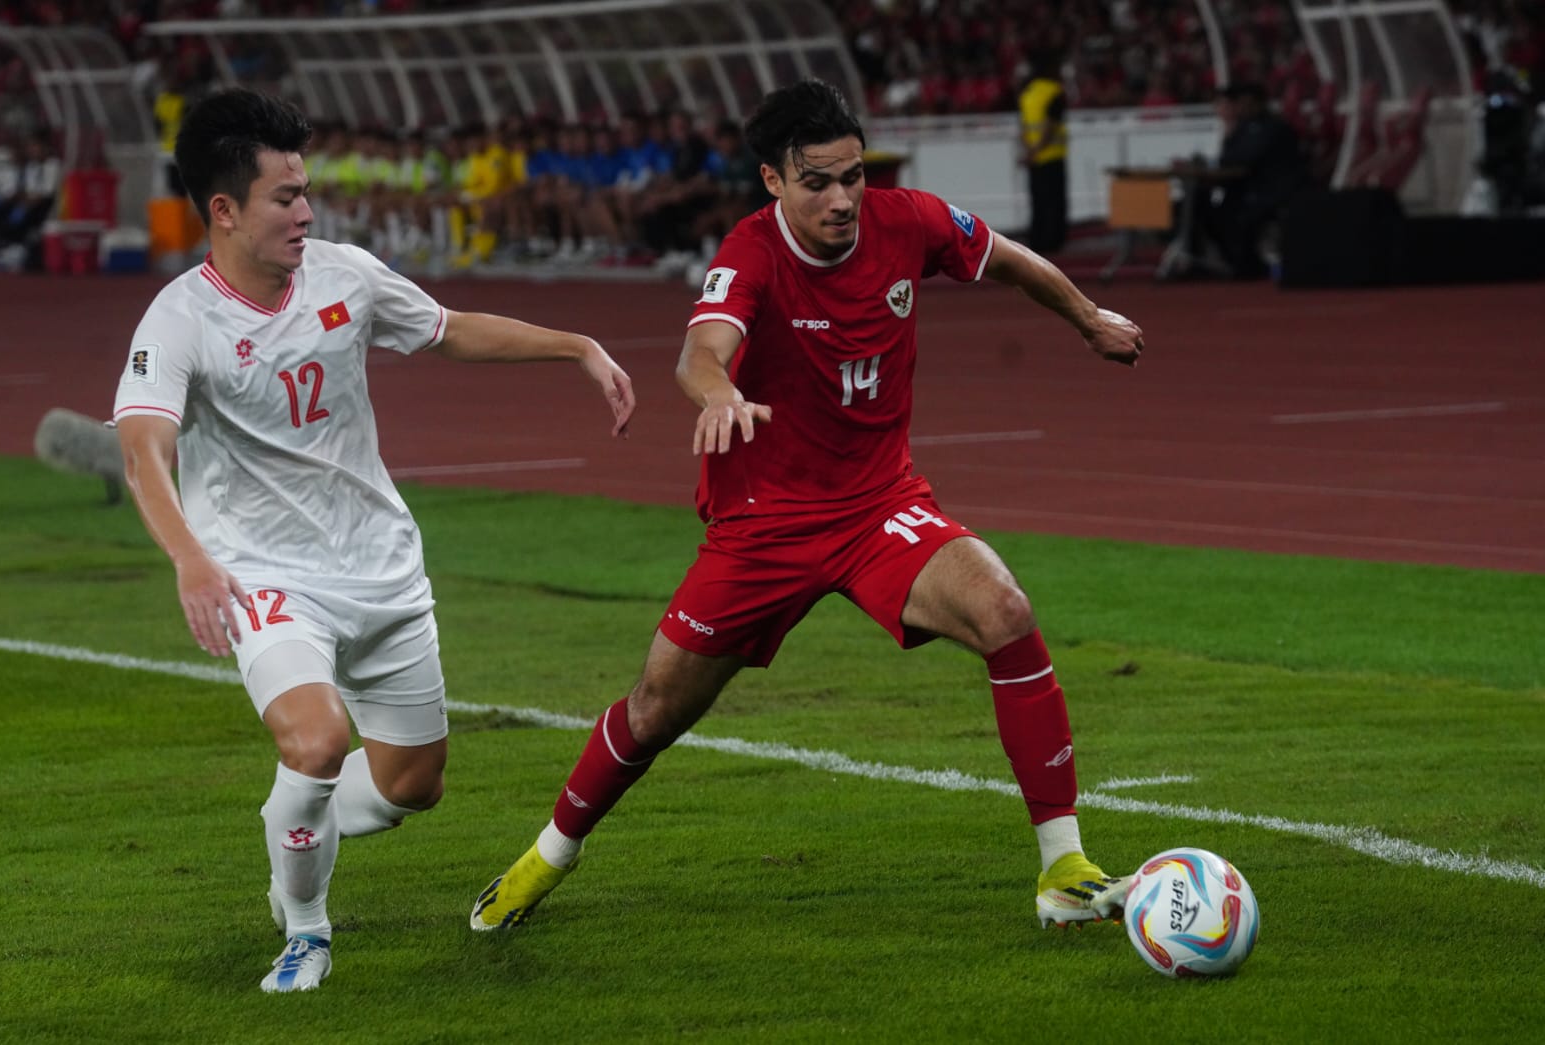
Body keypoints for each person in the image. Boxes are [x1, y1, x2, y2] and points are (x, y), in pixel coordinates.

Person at [471, 79, 1143, 935]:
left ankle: (1064, 868)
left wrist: (1088, 319)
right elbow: (700, 352)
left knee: (1005, 610)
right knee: (656, 709)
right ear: (773, 182)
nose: (842, 199)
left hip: (878, 506)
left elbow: (1008, 257)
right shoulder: (749, 254)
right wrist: (718, 396)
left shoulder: (912, 220)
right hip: (764, 526)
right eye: (818, 182)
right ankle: (546, 856)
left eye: (853, 176)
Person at [111, 88, 635, 993]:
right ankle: (305, 928)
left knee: (413, 783)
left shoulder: (346, 275)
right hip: (265, 576)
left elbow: (450, 331)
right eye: (285, 197)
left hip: (383, 568)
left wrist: (576, 344)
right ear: (224, 210)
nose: (306, 211)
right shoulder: (179, 318)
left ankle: (292, 822)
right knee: (316, 742)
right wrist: (193, 558)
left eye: (306, 191)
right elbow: (141, 453)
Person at [1204, 82, 1307, 278]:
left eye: (1246, 103)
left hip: (1273, 189)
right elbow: (1229, 158)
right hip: (1250, 188)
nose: (1243, 108)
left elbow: (1246, 158)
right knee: (1210, 209)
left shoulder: (1272, 127)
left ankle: (1247, 265)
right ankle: (1235, 261)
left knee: (1237, 214)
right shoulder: (1244, 127)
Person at [1018, 49, 1069, 256]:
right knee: (1055, 203)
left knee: (1037, 202)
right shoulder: (1055, 91)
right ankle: (1053, 244)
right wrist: (1038, 150)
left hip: (1034, 159)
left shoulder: (1028, 93)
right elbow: (1049, 127)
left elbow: (1024, 127)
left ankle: (1037, 241)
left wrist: (1030, 152)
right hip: (1052, 156)